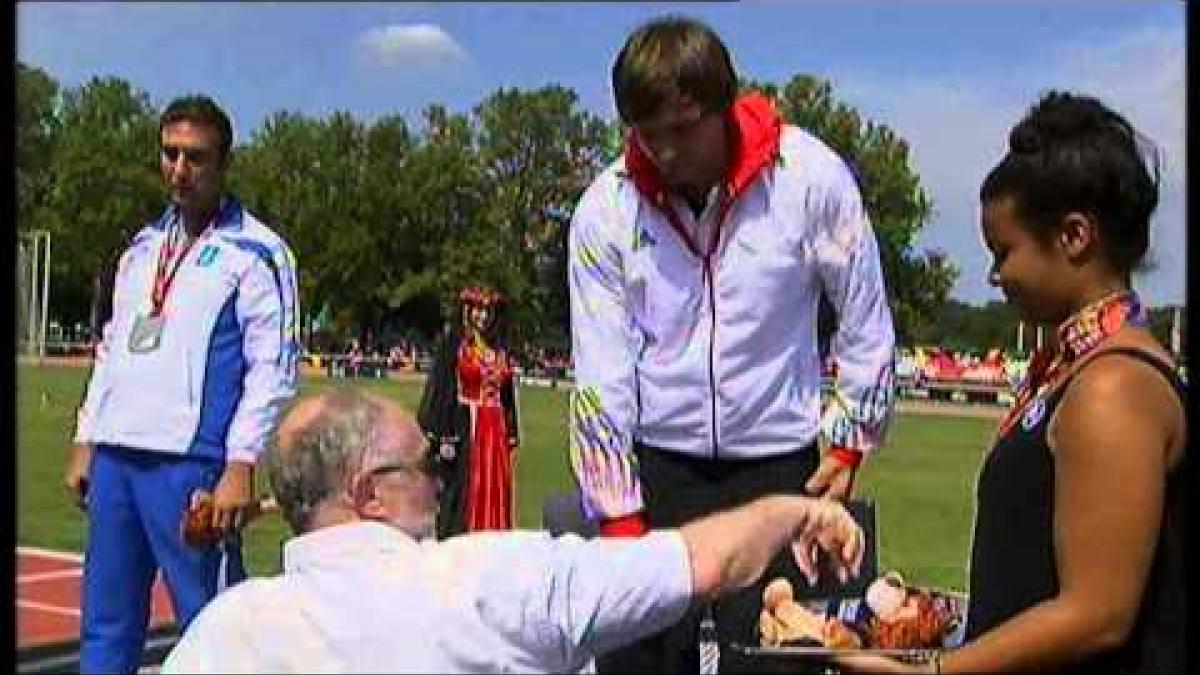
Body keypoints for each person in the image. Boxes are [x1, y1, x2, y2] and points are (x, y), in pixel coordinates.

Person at [566, 15, 897, 672]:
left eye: (681, 129)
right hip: (658, 472)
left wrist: (851, 437)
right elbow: (599, 376)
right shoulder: (606, 209)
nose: (661, 151)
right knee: (643, 664)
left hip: (783, 466)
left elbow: (866, 318)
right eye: (644, 132)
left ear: (722, 105)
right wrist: (619, 518)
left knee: (781, 659)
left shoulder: (810, 178)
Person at [838, 92, 1185, 674]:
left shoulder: (1113, 387)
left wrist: (935, 673)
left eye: (1004, 251)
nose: (996, 276)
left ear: (1075, 237)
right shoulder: (1073, 371)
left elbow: (1098, 612)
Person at [161, 389, 866, 673]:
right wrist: (792, 511)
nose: (442, 477)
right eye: (426, 461)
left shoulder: (218, 634)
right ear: (368, 492)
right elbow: (696, 563)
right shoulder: (488, 581)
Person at [64, 94, 300, 673]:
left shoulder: (258, 252)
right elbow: (114, 347)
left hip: (190, 467)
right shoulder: (142, 249)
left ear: (223, 164)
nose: (179, 169)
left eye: (195, 157)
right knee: (106, 626)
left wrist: (241, 463)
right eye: (169, 154)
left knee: (214, 630)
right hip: (119, 458)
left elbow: (273, 367)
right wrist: (87, 436)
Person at [418, 285, 521, 536]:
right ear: (466, 310)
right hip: (467, 426)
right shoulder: (454, 346)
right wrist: (443, 433)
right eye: (477, 310)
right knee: (464, 489)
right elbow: (442, 389)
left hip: (495, 432)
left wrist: (511, 431)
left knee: (494, 489)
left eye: (487, 311)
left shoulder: (499, 349)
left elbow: (506, 397)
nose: (483, 317)